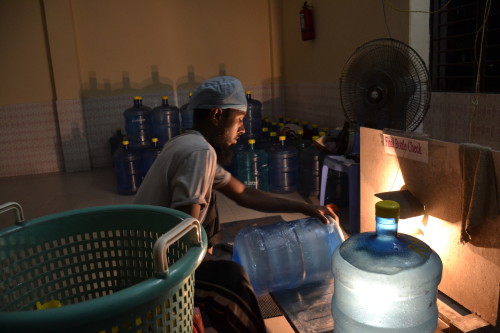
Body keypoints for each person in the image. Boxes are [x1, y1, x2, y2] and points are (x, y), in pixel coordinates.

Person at [134, 76, 337, 333]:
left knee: (223, 243)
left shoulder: (187, 142)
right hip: (155, 269)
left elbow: (244, 194)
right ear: (217, 115)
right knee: (234, 282)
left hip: (147, 252)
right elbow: (184, 233)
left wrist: (304, 207)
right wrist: (214, 268)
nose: (242, 129)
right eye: (239, 120)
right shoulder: (200, 152)